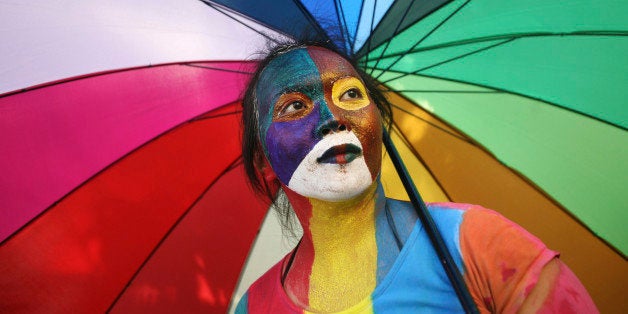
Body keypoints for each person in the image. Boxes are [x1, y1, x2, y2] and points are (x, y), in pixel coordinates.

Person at [235, 40, 597, 313]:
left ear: (378, 126)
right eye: (295, 105)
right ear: (264, 163)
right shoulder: (253, 306)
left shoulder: (478, 243)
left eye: (350, 93)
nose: (333, 117)